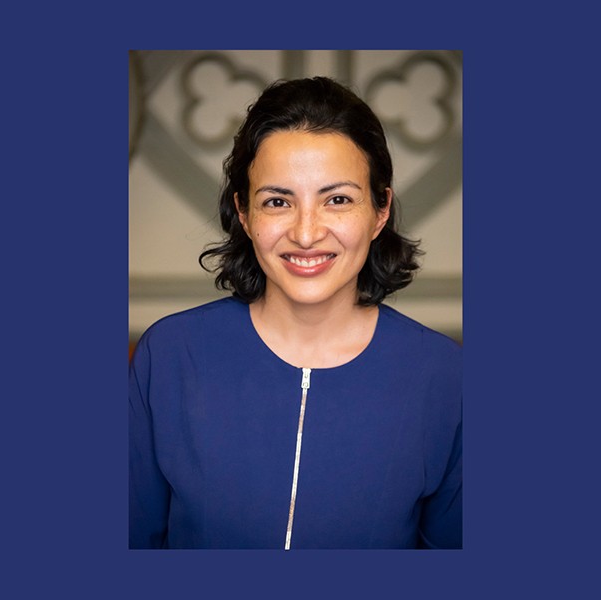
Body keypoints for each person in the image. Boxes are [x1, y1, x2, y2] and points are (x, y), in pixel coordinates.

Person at [128, 76, 461, 549]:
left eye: (338, 199)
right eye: (278, 201)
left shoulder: (445, 375)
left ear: (380, 210)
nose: (306, 234)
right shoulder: (170, 356)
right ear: (244, 213)